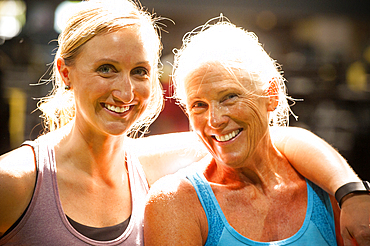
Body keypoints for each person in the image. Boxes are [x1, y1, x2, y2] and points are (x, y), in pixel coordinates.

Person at [0, 1, 368, 245]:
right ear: (66, 72)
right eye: (106, 69)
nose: (125, 91)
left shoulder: (154, 161)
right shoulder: (16, 181)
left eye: (140, 71)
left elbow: (277, 139)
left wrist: (350, 191)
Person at [143, 20, 370, 246]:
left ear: (271, 95)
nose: (214, 120)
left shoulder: (328, 190)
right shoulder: (176, 201)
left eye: (230, 97)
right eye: (199, 105)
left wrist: (351, 191)